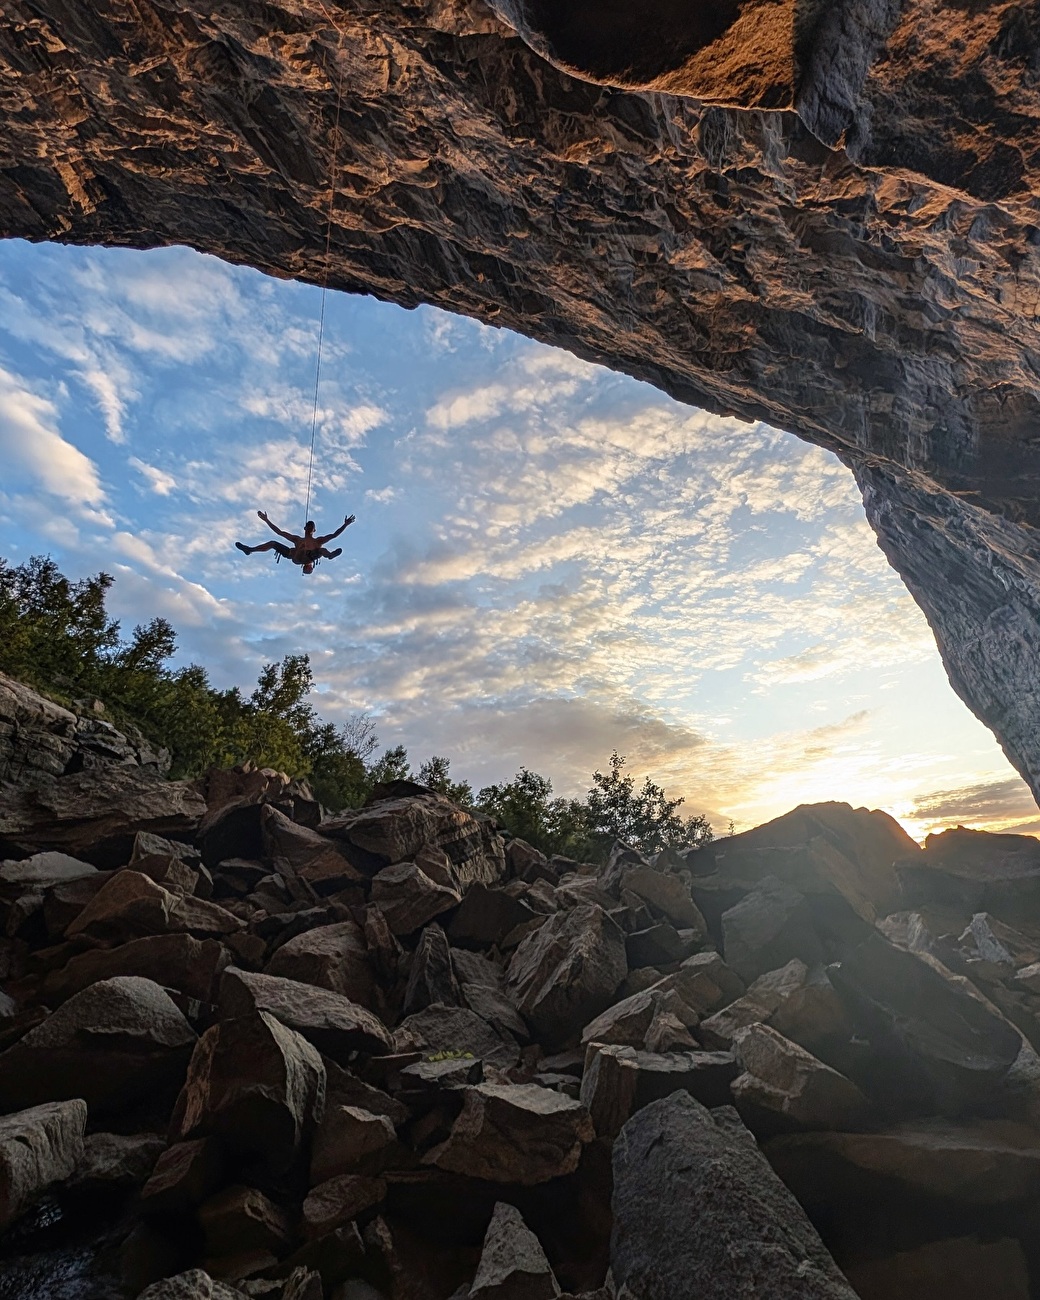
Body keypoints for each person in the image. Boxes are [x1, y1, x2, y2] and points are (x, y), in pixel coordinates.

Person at [236, 511, 355, 574]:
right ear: (305, 528)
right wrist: (267, 520)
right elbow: (280, 532)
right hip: (297, 557)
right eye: (308, 526)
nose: (309, 527)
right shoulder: (297, 539)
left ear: (314, 530)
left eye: (311, 526)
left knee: (322, 550)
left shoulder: (318, 541)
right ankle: (249, 550)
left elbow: (334, 535)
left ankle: (330, 555)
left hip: (308, 557)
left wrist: (345, 524)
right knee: (273, 543)